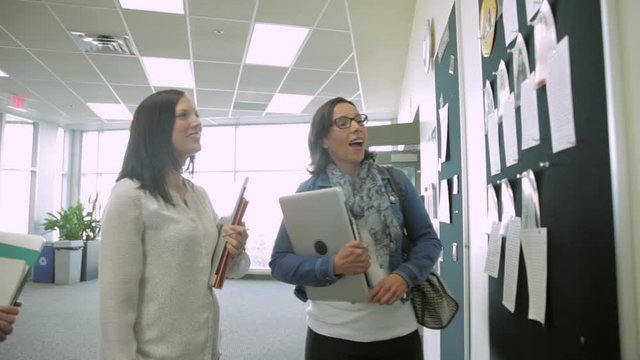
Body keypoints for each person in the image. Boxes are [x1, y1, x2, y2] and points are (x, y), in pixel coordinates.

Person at [270, 97, 442, 360]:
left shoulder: (396, 181)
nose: (356, 127)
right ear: (323, 140)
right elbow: (280, 262)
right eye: (343, 122)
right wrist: (333, 266)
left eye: (359, 120)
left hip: (398, 331)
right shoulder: (308, 192)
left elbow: (429, 241)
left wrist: (404, 276)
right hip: (332, 333)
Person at [99, 89, 250, 360]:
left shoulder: (197, 194)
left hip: (204, 349)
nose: (197, 121)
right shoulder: (130, 195)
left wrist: (234, 250)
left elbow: (219, 271)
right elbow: (115, 301)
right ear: (156, 128)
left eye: (197, 114)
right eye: (183, 115)